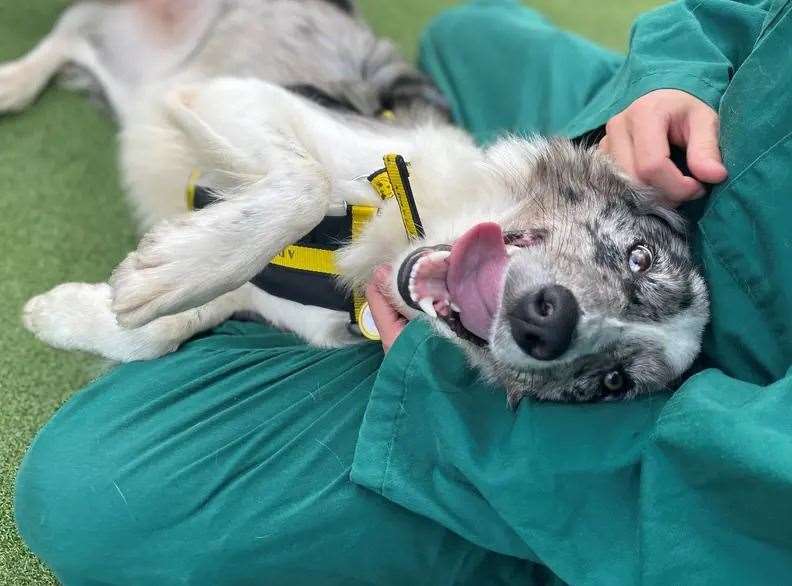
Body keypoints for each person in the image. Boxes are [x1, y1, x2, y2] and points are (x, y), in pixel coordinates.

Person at [14, 0, 792, 584]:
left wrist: (456, 419)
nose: (574, 326)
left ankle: (524, 542)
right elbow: (737, 13)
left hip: (648, 480)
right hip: (699, 172)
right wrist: (670, 83)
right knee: (470, 30)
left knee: (83, 497)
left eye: (616, 372)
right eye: (636, 271)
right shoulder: (522, 190)